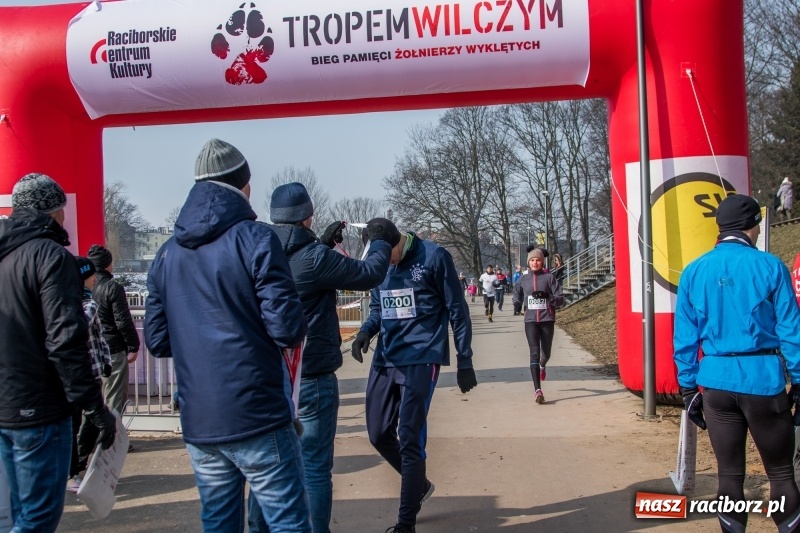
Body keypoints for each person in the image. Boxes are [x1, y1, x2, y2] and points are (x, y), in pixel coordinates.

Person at [145, 139, 312, 532]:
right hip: (257, 411)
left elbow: (157, 339)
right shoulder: (256, 238)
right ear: (245, 185)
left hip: (199, 418)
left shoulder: (166, 253)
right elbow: (287, 328)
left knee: (218, 522)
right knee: (288, 522)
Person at [247, 182, 394, 533]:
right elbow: (369, 274)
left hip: (268, 378)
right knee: (313, 466)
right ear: (309, 216)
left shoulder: (256, 252)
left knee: (268, 466)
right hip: (311, 374)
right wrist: (381, 240)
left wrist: (321, 244)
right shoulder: (314, 258)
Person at [673, 194, 800, 533]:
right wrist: (799, 382)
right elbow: (791, 331)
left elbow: (685, 338)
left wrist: (687, 387)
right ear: (752, 226)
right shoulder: (771, 266)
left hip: (715, 383)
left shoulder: (693, 271)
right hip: (763, 379)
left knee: (729, 475)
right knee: (781, 474)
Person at [0, 173, 116, 532]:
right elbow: (65, 339)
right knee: (39, 515)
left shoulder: (6, 255)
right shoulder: (51, 257)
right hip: (42, 405)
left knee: (16, 510)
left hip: (6, 402)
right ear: (55, 211)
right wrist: (94, 407)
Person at [351, 228, 478, 533]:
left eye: (385, 255)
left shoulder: (434, 257)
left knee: (409, 436)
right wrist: (366, 332)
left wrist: (465, 359)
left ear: (395, 243)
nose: (384, 263)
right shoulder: (379, 264)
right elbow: (379, 308)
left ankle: (405, 523)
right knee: (378, 433)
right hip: (387, 357)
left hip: (422, 357)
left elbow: (457, 310)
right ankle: (418, 484)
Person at [67, 257, 113, 494]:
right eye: (90, 276)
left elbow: (100, 336)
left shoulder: (82, 301)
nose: (95, 279)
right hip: (80, 372)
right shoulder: (85, 305)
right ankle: (72, 469)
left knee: (87, 420)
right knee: (77, 422)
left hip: (92, 370)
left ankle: (78, 464)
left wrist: (106, 361)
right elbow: (82, 326)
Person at [87, 244, 140, 423]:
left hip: (89, 349)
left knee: (92, 397)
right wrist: (133, 345)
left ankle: (90, 439)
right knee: (115, 396)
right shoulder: (113, 287)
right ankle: (112, 442)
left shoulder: (82, 288)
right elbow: (123, 320)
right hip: (113, 348)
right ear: (108, 265)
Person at [512, 248, 564, 404]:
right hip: (530, 321)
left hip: (547, 319)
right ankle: (537, 390)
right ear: (528, 262)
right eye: (532, 260)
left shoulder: (549, 278)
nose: (535, 262)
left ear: (542, 262)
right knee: (534, 352)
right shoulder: (523, 279)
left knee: (545, 354)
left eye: (538, 260)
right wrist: (516, 304)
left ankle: (543, 365)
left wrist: (548, 296)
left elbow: (561, 299)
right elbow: (517, 294)